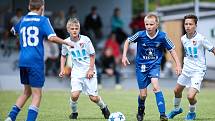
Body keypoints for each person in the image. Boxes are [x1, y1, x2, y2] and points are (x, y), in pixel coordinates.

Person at [5, 0, 73, 121]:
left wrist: (23, 40)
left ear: (28, 6)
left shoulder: (22, 20)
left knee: (26, 92)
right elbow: (52, 37)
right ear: (42, 7)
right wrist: (66, 42)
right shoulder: (43, 21)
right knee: (37, 95)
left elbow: (13, 31)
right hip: (35, 61)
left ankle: (10, 118)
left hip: (23, 60)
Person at [122, 13, 182, 121]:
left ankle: (162, 114)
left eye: (151, 24)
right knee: (143, 95)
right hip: (141, 67)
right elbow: (127, 41)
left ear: (157, 25)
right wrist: (124, 56)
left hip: (154, 65)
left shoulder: (162, 36)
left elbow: (172, 49)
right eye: (146, 24)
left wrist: (178, 64)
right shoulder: (140, 34)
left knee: (155, 86)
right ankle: (140, 110)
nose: (148, 26)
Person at [59, 18, 110, 119]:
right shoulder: (65, 42)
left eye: (76, 28)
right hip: (76, 72)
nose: (74, 30)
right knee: (74, 95)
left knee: (94, 98)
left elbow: (92, 55)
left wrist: (91, 69)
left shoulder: (85, 40)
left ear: (79, 29)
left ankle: (104, 107)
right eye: (72, 28)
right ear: (68, 29)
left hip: (89, 71)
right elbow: (63, 56)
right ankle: (74, 113)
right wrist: (62, 69)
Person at [167, 14, 215, 120]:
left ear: (195, 25)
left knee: (190, 96)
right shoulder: (183, 38)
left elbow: (213, 49)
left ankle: (192, 113)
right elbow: (187, 54)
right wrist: (179, 66)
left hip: (198, 71)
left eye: (190, 24)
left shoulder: (201, 39)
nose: (188, 26)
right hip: (187, 69)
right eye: (186, 24)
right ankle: (176, 109)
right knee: (176, 91)